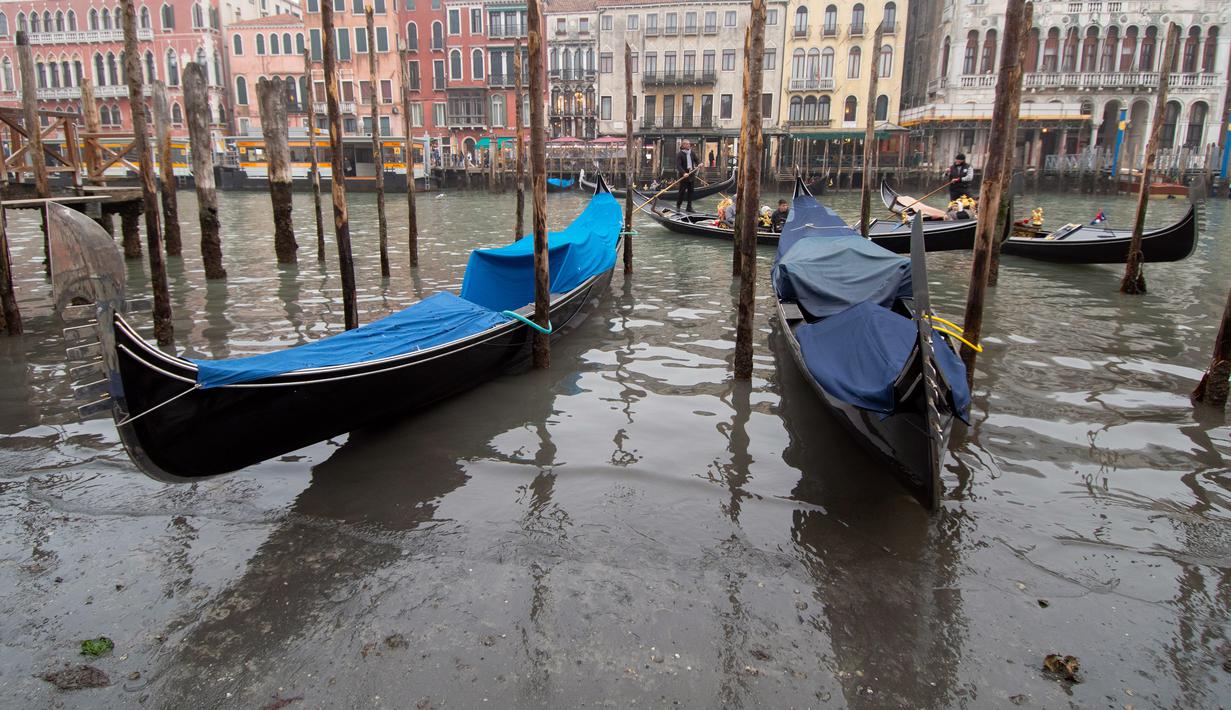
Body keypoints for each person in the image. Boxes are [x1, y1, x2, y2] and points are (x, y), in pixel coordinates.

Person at [676, 139, 699, 212]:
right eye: (687, 144)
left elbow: (697, 160)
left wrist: (699, 164)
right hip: (683, 176)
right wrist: (684, 173)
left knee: (691, 192)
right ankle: (678, 206)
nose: (689, 145)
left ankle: (689, 207)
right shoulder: (680, 154)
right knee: (682, 192)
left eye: (689, 144)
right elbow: (678, 166)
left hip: (691, 175)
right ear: (683, 145)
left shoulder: (692, 153)